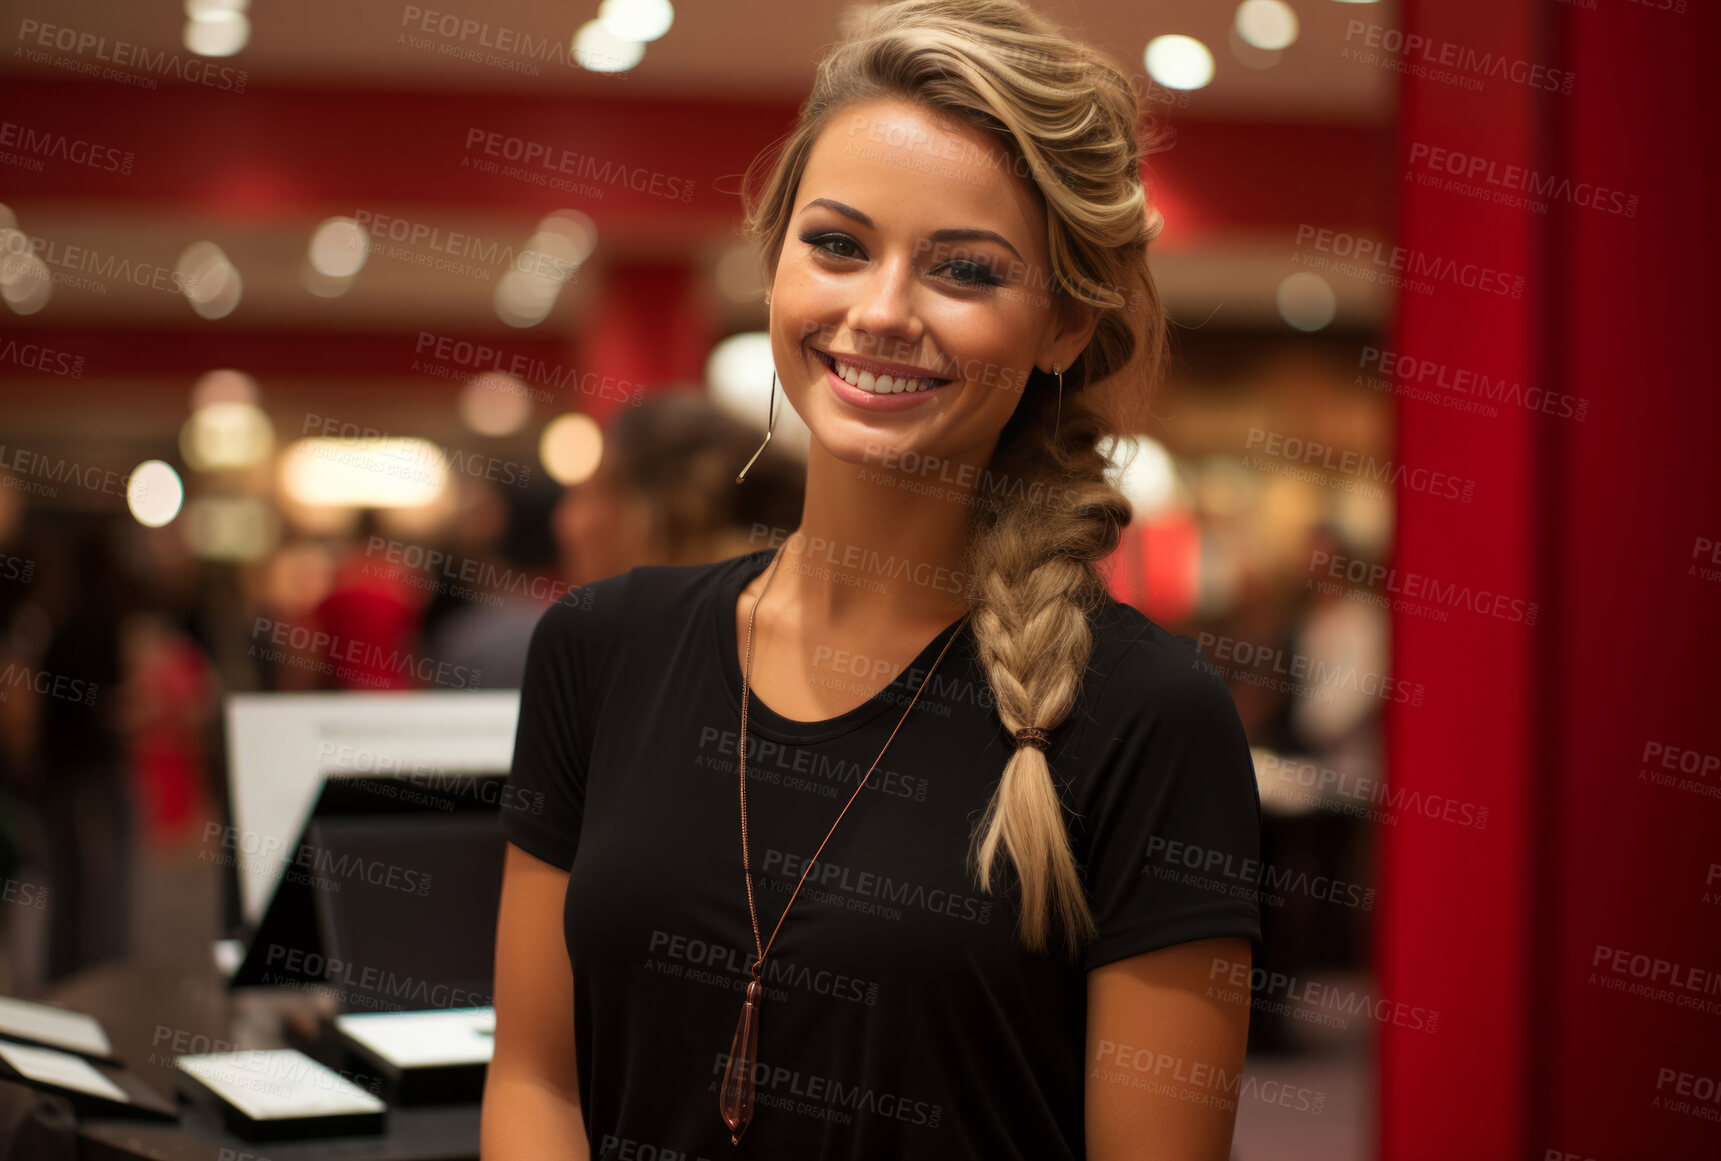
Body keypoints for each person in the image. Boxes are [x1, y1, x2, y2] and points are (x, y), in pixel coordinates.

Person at [482, 2, 1261, 1157]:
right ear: (774, 264)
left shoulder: (1146, 721)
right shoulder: (599, 649)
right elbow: (537, 1085)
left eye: (964, 269)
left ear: (1063, 326)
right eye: (837, 245)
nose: (880, 311)